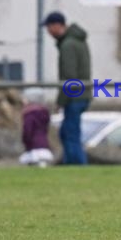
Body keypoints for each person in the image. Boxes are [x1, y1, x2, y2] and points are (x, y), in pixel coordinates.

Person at [41, 11, 92, 165]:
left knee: (70, 134)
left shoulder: (68, 45)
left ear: (57, 26)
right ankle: (72, 164)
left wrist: (60, 102)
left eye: (49, 27)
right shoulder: (78, 41)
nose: (48, 32)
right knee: (68, 132)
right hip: (82, 94)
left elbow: (69, 78)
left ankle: (76, 166)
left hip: (74, 96)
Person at [19, 88, 54, 168]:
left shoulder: (29, 114)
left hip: (34, 144)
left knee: (34, 159)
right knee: (41, 161)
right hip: (44, 143)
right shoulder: (44, 113)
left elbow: (28, 129)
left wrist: (25, 139)